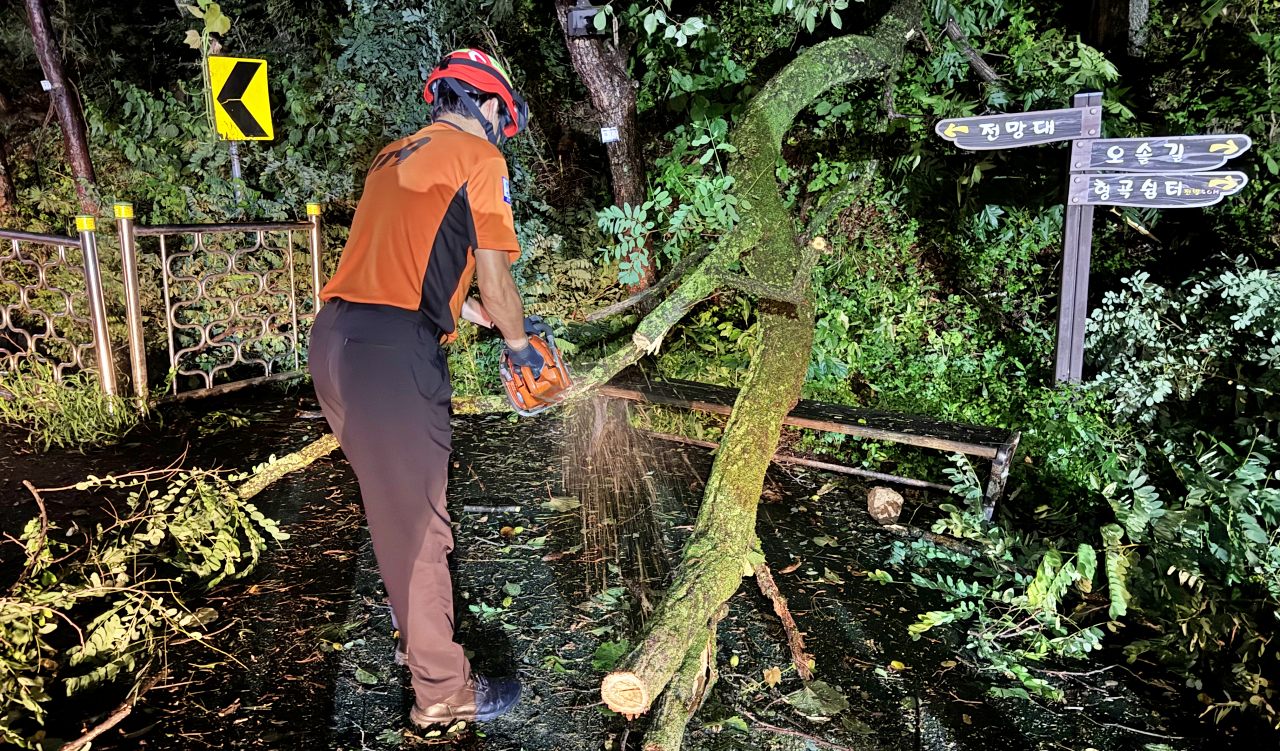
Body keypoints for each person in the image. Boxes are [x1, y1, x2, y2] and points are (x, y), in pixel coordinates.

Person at [308, 47, 544, 727]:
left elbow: (406, 258)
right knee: (420, 527)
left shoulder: (393, 154)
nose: (504, 131)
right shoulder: (482, 159)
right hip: (390, 355)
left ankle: (417, 626)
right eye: (504, 117)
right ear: (492, 106)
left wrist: (459, 307)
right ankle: (442, 692)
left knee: (394, 509)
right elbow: (498, 279)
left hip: (337, 341)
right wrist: (519, 344)